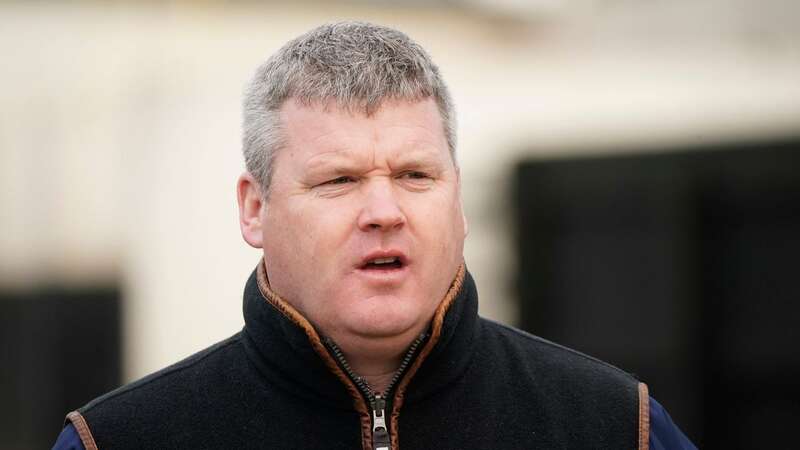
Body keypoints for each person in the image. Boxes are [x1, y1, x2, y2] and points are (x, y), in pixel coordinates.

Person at [52, 21, 695, 450]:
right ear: (255, 209)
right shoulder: (116, 441)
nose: (384, 210)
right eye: (338, 181)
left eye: (416, 175)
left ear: (460, 201)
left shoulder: (616, 426)